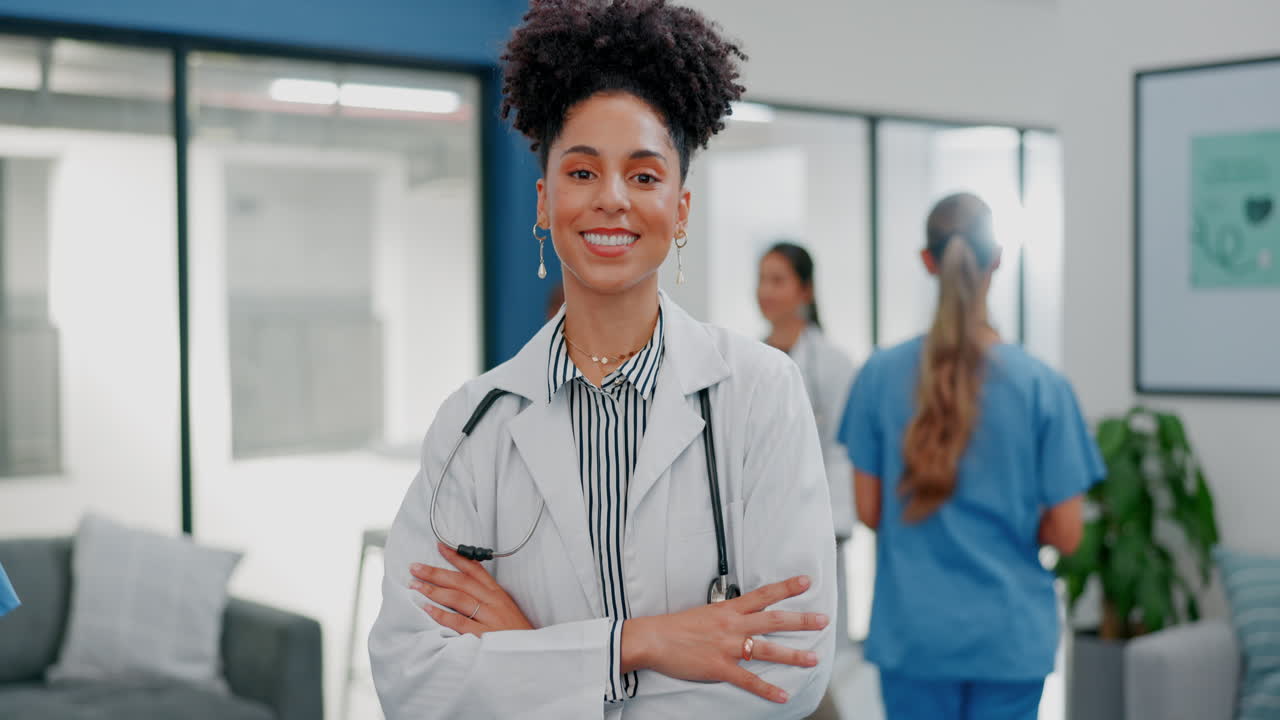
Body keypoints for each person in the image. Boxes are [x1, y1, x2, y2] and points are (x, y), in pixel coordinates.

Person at [369, 2, 836, 718]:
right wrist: (635, 645)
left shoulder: (760, 392)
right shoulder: (475, 423)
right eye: (582, 172)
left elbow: (788, 671)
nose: (611, 200)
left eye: (644, 177)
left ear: (680, 210)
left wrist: (534, 653)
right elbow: (412, 675)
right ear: (544, 200)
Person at [837, 193, 1103, 720]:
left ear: (927, 261)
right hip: (1009, 637)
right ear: (997, 259)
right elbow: (1068, 533)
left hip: (914, 633)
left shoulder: (879, 375)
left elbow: (870, 511)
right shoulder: (1041, 386)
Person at [757, 242, 856, 637]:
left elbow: (841, 449)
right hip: (764, 519)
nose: (765, 291)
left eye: (777, 280)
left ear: (805, 291)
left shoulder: (833, 362)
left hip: (820, 520)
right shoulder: (750, 358)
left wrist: (836, 522)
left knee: (819, 634)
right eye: (762, 280)